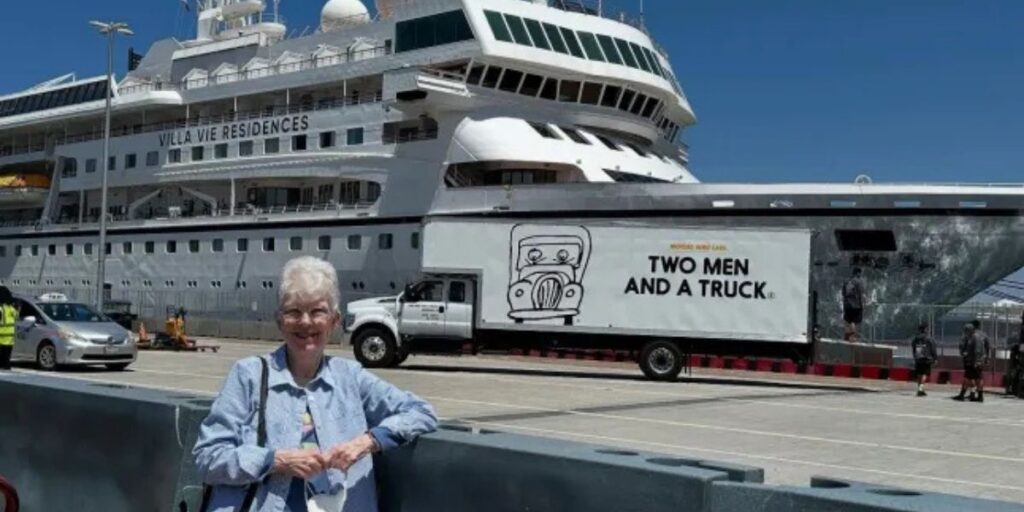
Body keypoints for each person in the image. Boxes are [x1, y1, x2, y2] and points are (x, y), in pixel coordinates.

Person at [193, 256, 438, 512]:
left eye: (318, 311)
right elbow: (207, 457)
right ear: (279, 320)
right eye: (293, 312)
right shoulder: (248, 375)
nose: (306, 322)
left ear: (334, 320)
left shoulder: (350, 377)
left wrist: (366, 442)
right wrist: (275, 461)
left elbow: (421, 412)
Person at [910, 322, 937, 397]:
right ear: (925, 329)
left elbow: (913, 348)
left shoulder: (915, 339)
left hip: (918, 358)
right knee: (924, 374)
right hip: (927, 358)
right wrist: (935, 358)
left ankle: (920, 389)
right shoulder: (929, 338)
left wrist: (914, 356)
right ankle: (920, 389)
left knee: (919, 374)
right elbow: (933, 349)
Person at [842, 268, 866, 342]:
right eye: (860, 273)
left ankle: (847, 334)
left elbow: (843, 293)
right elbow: (861, 294)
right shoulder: (859, 282)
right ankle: (852, 336)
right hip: (856, 305)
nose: (861, 275)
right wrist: (863, 305)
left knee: (847, 320)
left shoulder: (846, 281)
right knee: (854, 321)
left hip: (847, 305)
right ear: (858, 273)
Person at [0, 287, 16, 370]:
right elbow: (16, 318)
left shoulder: (0, 309)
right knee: (7, 353)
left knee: (2, 353)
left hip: (1, 335)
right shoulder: (12, 309)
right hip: (10, 335)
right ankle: (6, 364)